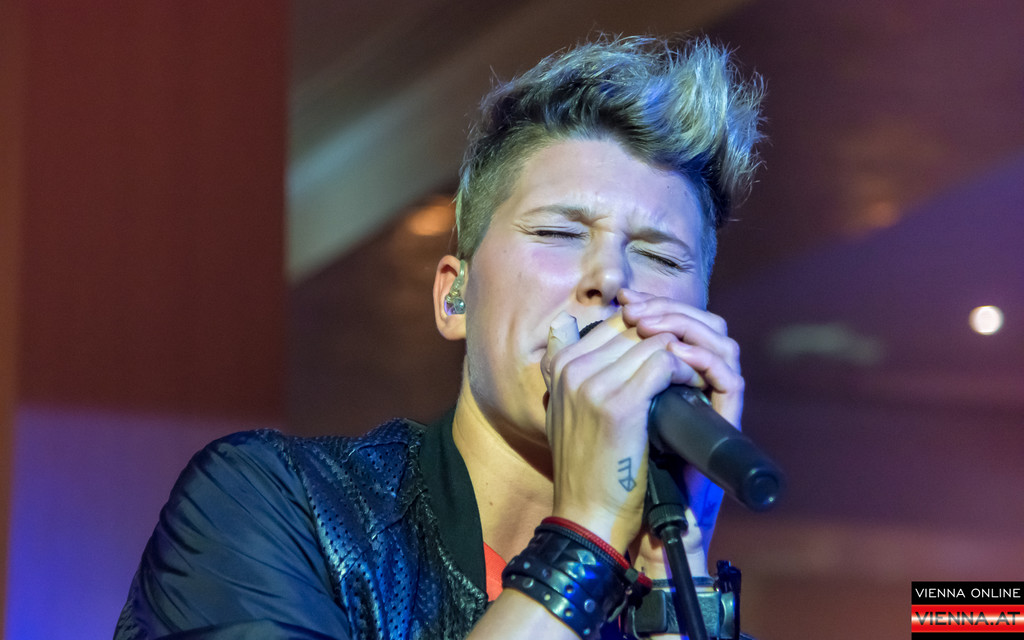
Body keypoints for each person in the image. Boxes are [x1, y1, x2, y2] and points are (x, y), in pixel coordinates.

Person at [115, 34, 763, 640]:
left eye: (659, 256)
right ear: (455, 297)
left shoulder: (678, 595)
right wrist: (585, 539)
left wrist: (674, 582)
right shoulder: (275, 505)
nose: (611, 277)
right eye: (559, 233)